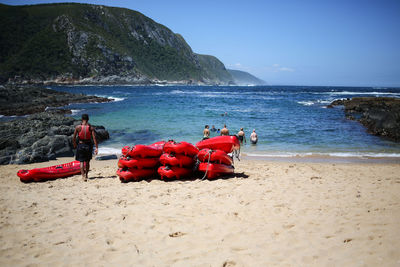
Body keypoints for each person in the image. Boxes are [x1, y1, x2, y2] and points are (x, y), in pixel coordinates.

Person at [73, 114, 98, 181]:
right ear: (88, 119)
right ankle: (86, 175)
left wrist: (75, 144)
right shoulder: (91, 128)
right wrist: (96, 147)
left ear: (82, 119)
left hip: (81, 145)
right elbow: (94, 138)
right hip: (88, 145)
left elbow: (74, 138)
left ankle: (83, 176)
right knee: (87, 162)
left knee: (81, 162)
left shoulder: (78, 127)